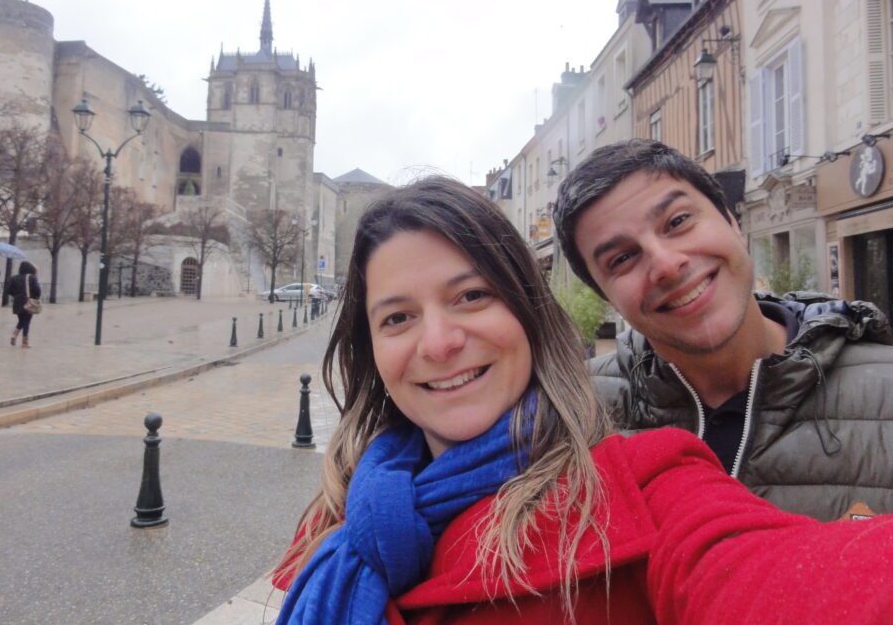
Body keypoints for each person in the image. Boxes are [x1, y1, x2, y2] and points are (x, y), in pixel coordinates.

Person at [273, 176, 893, 624]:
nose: (438, 342)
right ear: (373, 353)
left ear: (528, 315)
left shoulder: (645, 483)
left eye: (471, 296)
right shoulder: (341, 513)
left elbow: (771, 576)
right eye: (398, 317)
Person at [553, 139, 893, 520]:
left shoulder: (885, 389)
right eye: (622, 258)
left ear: (732, 221)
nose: (666, 264)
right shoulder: (571, 418)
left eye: (678, 221)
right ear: (606, 295)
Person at [7, 261, 41, 348]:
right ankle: (24, 343)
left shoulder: (14, 278)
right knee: (26, 322)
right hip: (28, 303)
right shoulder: (32, 277)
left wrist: (16, 295)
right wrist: (36, 297)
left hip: (17, 303)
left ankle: (14, 335)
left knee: (22, 320)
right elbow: (38, 290)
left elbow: (8, 290)